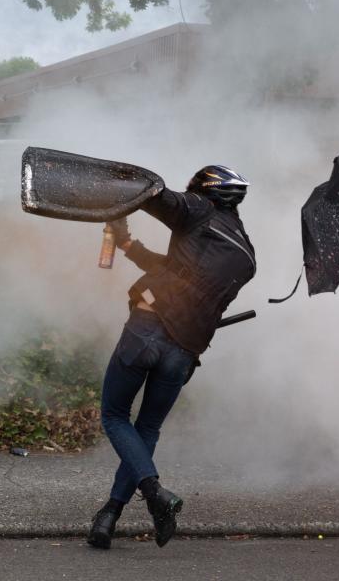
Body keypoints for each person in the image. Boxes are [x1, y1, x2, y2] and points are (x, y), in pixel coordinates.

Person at [87, 165, 256, 550]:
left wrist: (118, 186)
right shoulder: (244, 253)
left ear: (206, 190)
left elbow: (152, 195)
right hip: (183, 353)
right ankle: (109, 515)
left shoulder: (198, 210)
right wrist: (127, 244)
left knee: (114, 416)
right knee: (146, 430)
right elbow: (177, 272)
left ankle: (155, 493)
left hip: (147, 330)